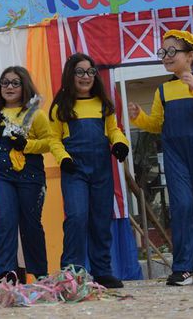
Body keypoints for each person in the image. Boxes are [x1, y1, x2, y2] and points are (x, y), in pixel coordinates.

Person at [128, 30, 193, 286]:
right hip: (175, 156)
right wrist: (139, 117)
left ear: (190, 55)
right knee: (182, 206)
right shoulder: (163, 89)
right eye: (163, 52)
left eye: (172, 51)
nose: (166, 56)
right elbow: (157, 124)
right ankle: (182, 267)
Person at [48, 53, 129, 289]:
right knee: (76, 217)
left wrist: (120, 143)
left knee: (100, 220)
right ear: (70, 75)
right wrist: (63, 159)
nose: (86, 76)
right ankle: (71, 273)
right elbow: (53, 139)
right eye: (80, 72)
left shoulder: (103, 105)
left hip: (101, 170)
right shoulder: (61, 107)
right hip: (74, 170)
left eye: (90, 72)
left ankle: (102, 271)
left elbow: (113, 130)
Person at [0, 66, 50, 285]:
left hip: (31, 178)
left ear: (24, 86)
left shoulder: (35, 114)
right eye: (5, 82)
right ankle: (6, 273)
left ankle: (39, 274)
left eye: (15, 83)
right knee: (4, 221)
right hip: (2, 177)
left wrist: (27, 145)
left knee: (31, 224)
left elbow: (50, 142)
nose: (9, 87)